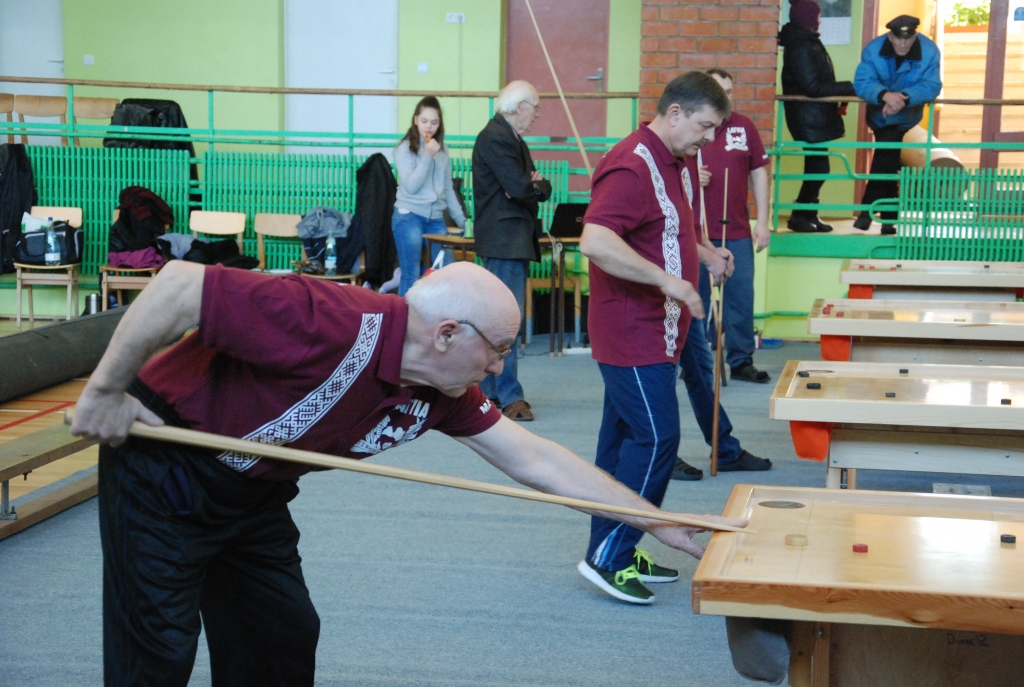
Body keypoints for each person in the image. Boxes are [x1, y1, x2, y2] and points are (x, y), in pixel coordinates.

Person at [70, 260, 744, 687]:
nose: (498, 368)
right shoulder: (333, 319)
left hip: (253, 491)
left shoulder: (444, 393)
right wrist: (105, 391)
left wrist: (656, 521)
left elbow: (536, 459)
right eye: (497, 350)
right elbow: (179, 286)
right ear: (448, 333)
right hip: (163, 463)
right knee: (157, 651)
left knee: (279, 636)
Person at [577, 72, 737, 605]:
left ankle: (616, 546)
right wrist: (668, 280)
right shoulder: (632, 163)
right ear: (673, 114)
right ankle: (609, 555)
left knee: (623, 444)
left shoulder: (679, 160)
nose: (709, 139)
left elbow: (670, 231)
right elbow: (595, 241)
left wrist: (705, 255)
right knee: (657, 438)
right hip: (632, 330)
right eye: (704, 126)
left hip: (663, 330)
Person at [471, 80, 551, 422]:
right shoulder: (497, 137)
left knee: (499, 320)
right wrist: (530, 184)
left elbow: (535, 187)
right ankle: (508, 395)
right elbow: (521, 187)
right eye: (535, 108)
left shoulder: (511, 138)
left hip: (511, 239)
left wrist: (532, 185)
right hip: (505, 239)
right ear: (519, 107)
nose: (537, 115)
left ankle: (490, 391)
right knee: (505, 321)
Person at [694, 67, 772, 384]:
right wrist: (690, 175)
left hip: (736, 229)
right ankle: (695, 361)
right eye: (717, 91)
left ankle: (740, 361)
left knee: (740, 298)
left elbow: (759, 173)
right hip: (696, 231)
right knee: (696, 299)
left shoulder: (743, 126)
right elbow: (666, 169)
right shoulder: (692, 126)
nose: (723, 98)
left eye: (728, 92)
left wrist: (763, 221)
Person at [854, 15, 942, 235]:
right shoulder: (873, 49)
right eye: (898, 38)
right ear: (890, 36)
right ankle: (886, 219)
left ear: (915, 35)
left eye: (908, 38)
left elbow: (932, 85)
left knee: (886, 155)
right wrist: (885, 96)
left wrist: (902, 98)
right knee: (888, 158)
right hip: (879, 115)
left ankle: (868, 212)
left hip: (906, 116)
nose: (903, 43)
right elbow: (863, 82)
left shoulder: (929, 50)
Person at [778, 0, 857, 233]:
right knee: (819, 168)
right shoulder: (801, 45)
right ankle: (800, 215)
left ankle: (808, 214)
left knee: (817, 167)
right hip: (808, 118)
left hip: (811, 117)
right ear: (807, 18)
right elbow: (812, 87)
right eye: (818, 16)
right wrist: (849, 87)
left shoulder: (803, 41)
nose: (820, 21)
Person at [392, 96, 467, 296]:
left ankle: (436, 313)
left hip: (435, 218)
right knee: (411, 273)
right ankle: (404, 315)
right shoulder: (404, 148)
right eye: (424, 121)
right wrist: (426, 156)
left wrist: (463, 222)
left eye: (434, 122)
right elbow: (411, 186)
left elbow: (448, 189)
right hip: (409, 215)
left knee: (447, 270)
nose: (429, 127)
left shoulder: (443, 148)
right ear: (415, 120)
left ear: (439, 124)